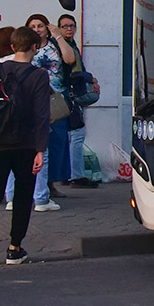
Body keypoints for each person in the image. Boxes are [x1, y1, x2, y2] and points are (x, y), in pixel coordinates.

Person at [0, 25, 51, 274]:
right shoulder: (38, 76)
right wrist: (40, 149)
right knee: (23, 196)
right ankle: (15, 249)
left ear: (13, 46)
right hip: (25, 145)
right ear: (35, 48)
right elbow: (41, 116)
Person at [5, 14, 63, 212]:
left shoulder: (2, 66)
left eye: (40, 25)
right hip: (36, 113)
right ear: (33, 46)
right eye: (33, 26)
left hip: (11, 117)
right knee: (41, 155)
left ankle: (12, 198)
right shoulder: (38, 73)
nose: (37, 29)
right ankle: (40, 198)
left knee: (14, 156)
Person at [54, 14, 101, 188]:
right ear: (58, 28)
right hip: (68, 95)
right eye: (64, 26)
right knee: (76, 134)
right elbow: (71, 72)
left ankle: (66, 174)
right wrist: (90, 78)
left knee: (70, 135)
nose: (69, 29)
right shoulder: (61, 46)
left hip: (71, 94)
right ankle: (76, 176)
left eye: (71, 25)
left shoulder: (72, 44)